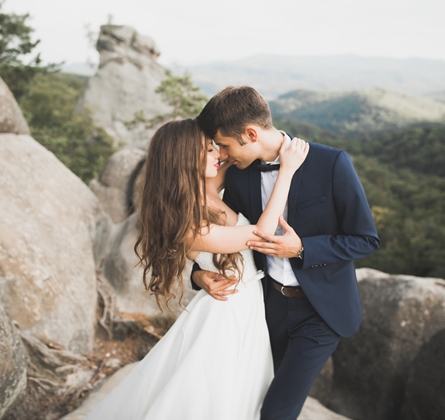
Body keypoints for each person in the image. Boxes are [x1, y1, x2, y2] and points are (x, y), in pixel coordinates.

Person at [85, 118, 309, 420]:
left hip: (244, 307)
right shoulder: (186, 218)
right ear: (184, 160)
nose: (218, 154)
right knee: (209, 400)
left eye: (216, 147)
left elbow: (239, 150)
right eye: (208, 150)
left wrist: (198, 273)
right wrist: (287, 171)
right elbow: (259, 235)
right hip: (225, 313)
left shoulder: (208, 186)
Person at [192, 86, 380, 420]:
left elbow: (365, 239)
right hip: (264, 307)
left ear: (250, 134)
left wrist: (303, 248)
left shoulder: (331, 163)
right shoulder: (237, 174)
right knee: (251, 392)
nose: (221, 153)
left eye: (224, 144)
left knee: (277, 410)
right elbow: (225, 236)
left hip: (320, 311)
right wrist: (197, 274)